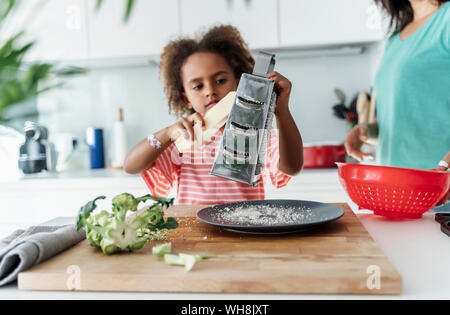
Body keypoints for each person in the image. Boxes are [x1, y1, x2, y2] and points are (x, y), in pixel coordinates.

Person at [124, 25, 303, 204]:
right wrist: (167, 133)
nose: (210, 91)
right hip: (193, 228)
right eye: (198, 86)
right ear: (186, 98)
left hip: (244, 227)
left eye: (220, 80)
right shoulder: (184, 136)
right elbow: (131, 166)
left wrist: (281, 112)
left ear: (240, 84)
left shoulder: (256, 131)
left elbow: (291, 168)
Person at [345, 0, 450, 175]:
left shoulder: (446, 18)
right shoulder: (395, 41)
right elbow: (402, 118)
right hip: (396, 185)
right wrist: (366, 131)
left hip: (440, 187)